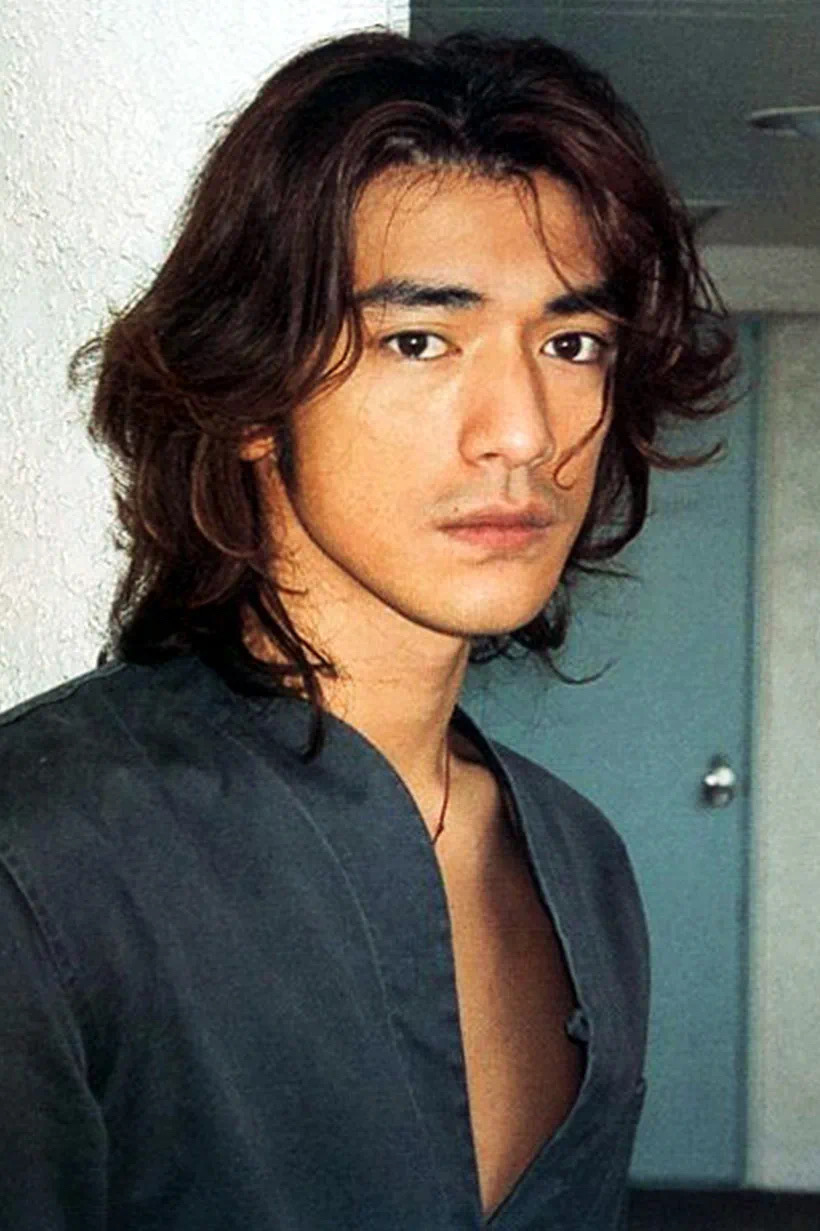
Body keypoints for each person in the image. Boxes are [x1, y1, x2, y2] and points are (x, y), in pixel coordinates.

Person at [0, 28, 734, 1231]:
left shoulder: (582, 861)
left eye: (571, 344)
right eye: (418, 340)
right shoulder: (45, 855)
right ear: (253, 391)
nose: (523, 432)